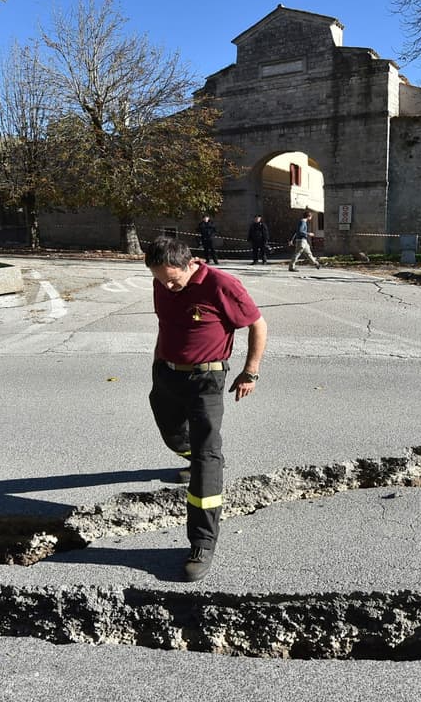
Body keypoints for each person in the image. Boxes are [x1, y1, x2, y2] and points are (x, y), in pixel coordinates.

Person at [145, 236, 266, 582]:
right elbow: (164, 325)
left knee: (206, 458)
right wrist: (158, 362)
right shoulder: (162, 283)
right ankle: (194, 456)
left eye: (172, 279)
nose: (167, 285)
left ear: (189, 264)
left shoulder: (220, 284)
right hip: (167, 372)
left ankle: (202, 542)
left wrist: (250, 372)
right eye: (159, 279)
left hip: (206, 380)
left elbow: (257, 324)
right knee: (169, 427)